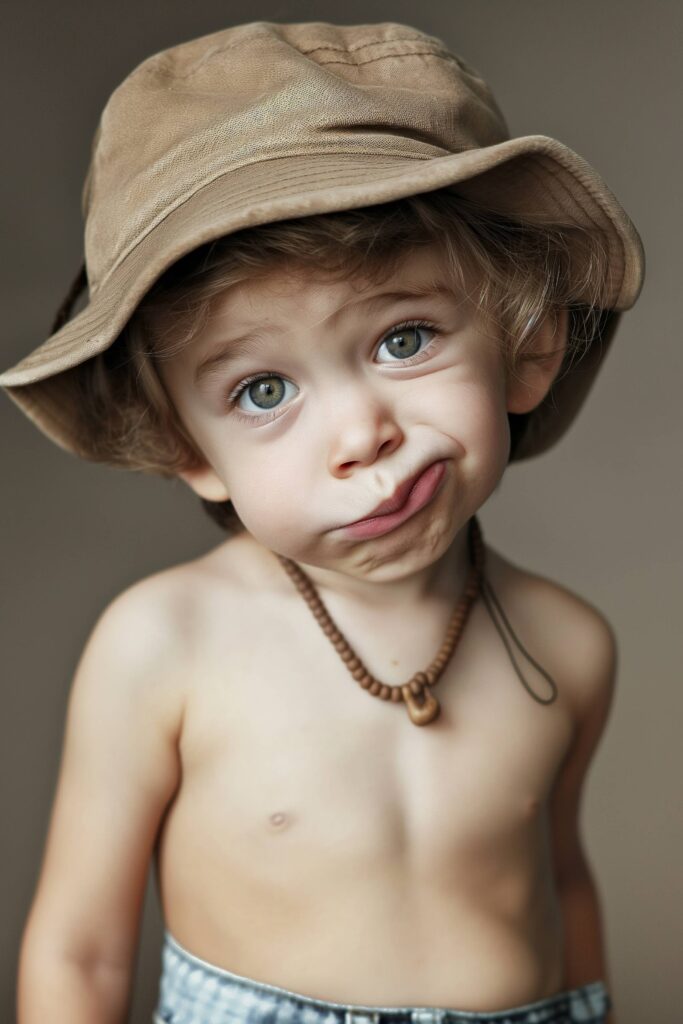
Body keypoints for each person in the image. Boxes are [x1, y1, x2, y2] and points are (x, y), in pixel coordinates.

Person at [2, 20, 644, 1024]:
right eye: (263, 390)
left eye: (403, 337)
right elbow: (80, 952)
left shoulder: (567, 646)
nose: (361, 433)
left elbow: (559, 887)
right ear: (187, 448)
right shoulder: (162, 645)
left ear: (525, 342)